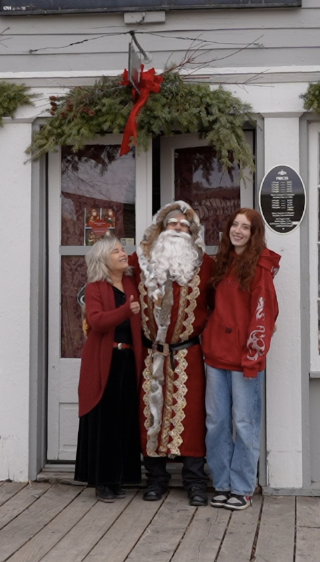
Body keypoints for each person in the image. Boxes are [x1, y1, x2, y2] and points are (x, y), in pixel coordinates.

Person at [129, 201, 215, 507]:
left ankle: (194, 481)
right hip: (151, 356)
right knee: (149, 416)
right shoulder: (139, 262)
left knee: (191, 417)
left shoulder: (205, 266)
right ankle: (155, 479)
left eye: (184, 225)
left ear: (193, 233)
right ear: (160, 228)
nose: (178, 229)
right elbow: (109, 274)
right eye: (172, 224)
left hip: (188, 355)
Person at [201, 208, 280, 511]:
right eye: (234, 225)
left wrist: (253, 356)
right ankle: (221, 483)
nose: (237, 231)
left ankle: (243, 487)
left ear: (254, 233)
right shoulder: (221, 263)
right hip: (216, 357)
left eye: (245, 227)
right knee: (216, 423)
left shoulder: (259, 268)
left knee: (244, 424)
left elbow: (265, 315)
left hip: (245, 359)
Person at [75, 236, 143, 501]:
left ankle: (121, 477)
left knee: (125, 418)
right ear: (104, 259)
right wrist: (126, 310)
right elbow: (97, 321)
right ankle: (103, 481)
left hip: (127, 359)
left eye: (122, 249)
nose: (123, 253)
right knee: (105, 421)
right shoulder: (95, 288)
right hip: (105, 360)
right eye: (116, 251)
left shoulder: (130, 283)